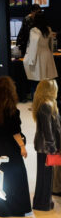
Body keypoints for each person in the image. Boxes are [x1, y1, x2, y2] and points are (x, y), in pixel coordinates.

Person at [0, 76, 31, 217]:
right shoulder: (11, 110)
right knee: (14, 176)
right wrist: (22, 146)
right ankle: (13, 207)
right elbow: (15, 131)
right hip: (8, 147)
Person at [32, 79, 61, 211]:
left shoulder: (48, 104)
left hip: (45, 146)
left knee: (46, 175)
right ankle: (42, 203)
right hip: (46, 147)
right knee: (45, 175)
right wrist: (53, 148)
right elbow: (48, 130)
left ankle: (44, 201)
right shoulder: (46, 106)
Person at [24, 9, 57, 95]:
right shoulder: (48, 29)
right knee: (47, 82)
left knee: (36, 82)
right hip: (48, 56)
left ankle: (36, 103)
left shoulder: (34, 30)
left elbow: (33, 47)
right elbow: (51, 44)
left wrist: (31, 60)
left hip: (38, 57)